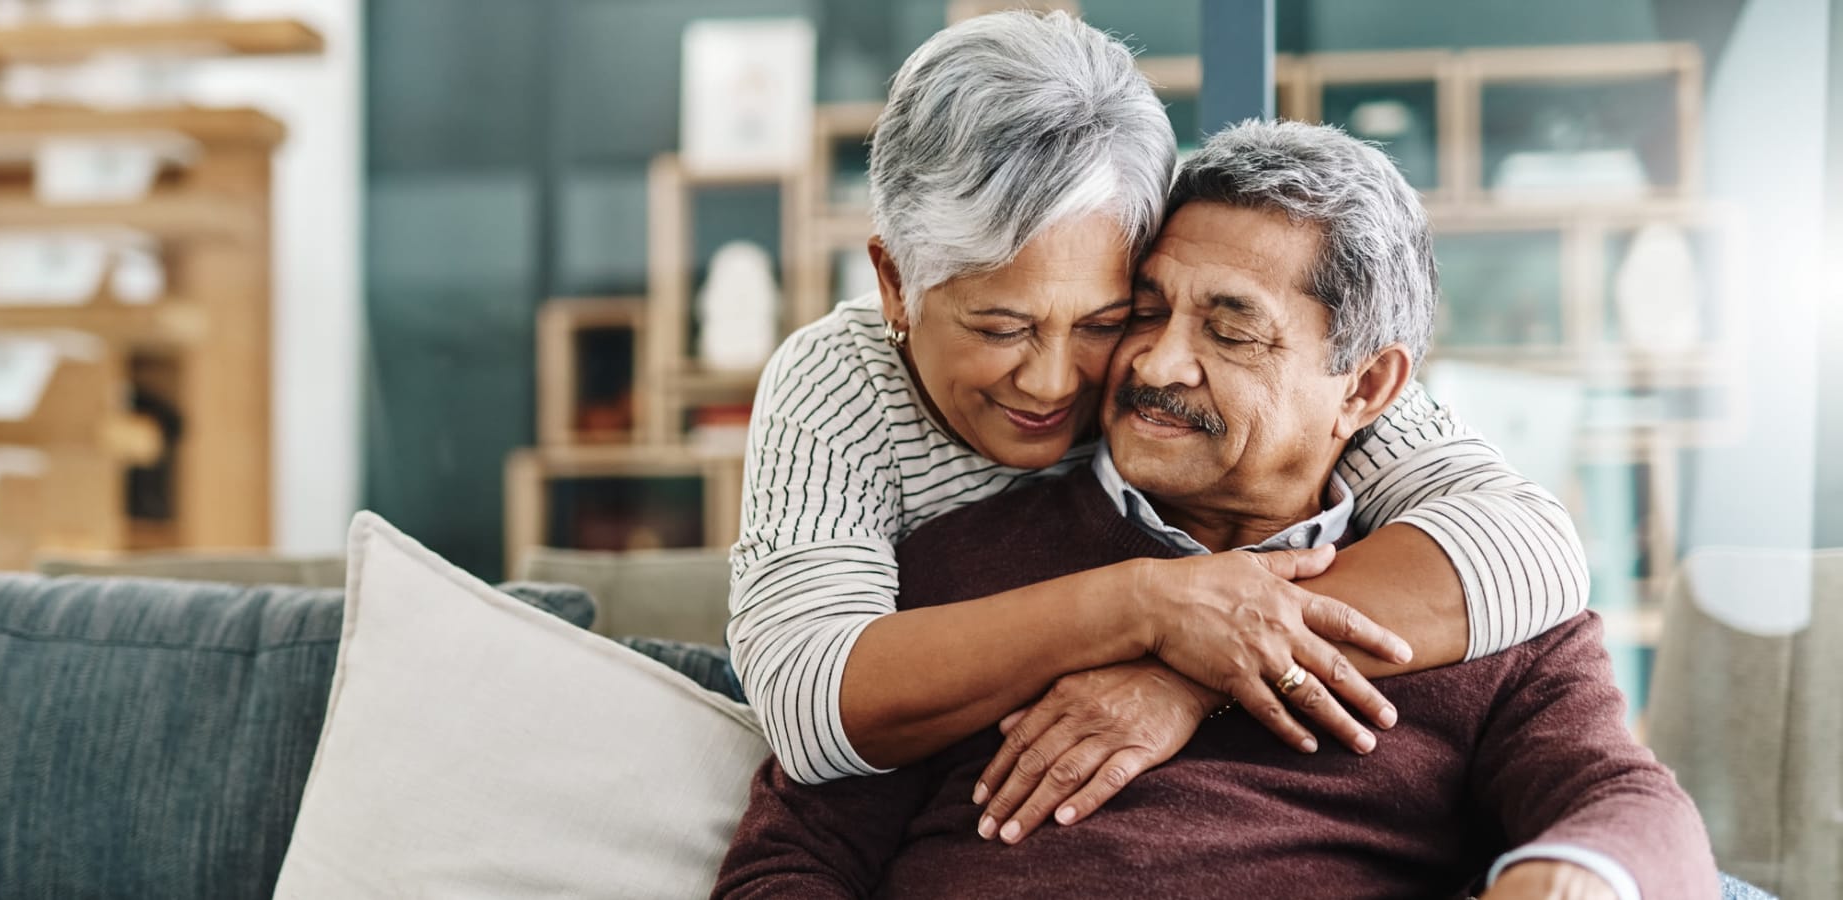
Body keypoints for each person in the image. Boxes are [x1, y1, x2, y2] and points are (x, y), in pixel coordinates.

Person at [711, 119, 1717, 900]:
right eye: (1142, 312)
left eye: (1230, 332)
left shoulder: (1476, 610)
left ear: (1365, 390)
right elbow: (791, 860)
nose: (1154, 363)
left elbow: (1629, 806)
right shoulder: (957, 574)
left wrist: (1574, 875)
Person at [730, 10, 1589, 817]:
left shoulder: (1175, 360)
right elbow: (807, 709)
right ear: (893, 284)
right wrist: (1146, 607)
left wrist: (1193, 669)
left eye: (1106, 321)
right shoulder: (839, 384)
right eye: (1000, 326)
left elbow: (1531, 545)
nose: (1053, 383)